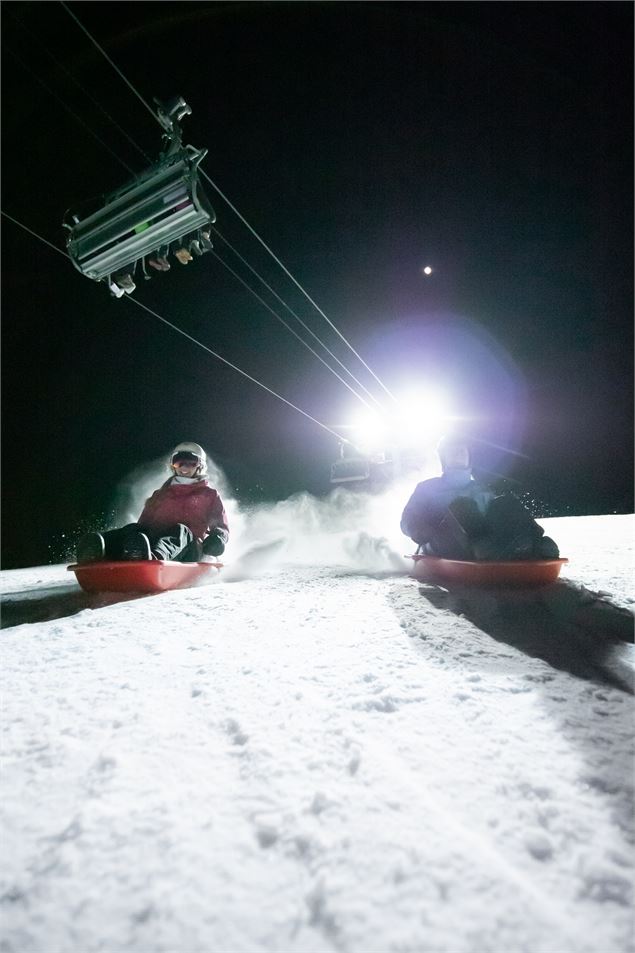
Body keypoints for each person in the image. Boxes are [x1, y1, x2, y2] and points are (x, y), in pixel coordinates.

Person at [400, 436, 559, 561]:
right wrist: (417, 529)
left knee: (505, 502)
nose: (459, 455)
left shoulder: (481, 489)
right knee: (462, 506)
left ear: (469, 457)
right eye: (453, 452)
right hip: (440, 542)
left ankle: (534, 543)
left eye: (462, 452)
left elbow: (497, 517)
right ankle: (483, 547)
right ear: (444, 459)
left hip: (485, 546)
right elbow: (408, 519)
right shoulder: (428, 488)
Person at [76, 442, 229, 564]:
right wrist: (135, 537)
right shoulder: (160, 494)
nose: (184, 467)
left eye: (191, 463)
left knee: (180, 530)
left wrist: (218, 538)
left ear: (200, 466)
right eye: (179, 462)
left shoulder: (210, 495)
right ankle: (99, 548)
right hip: (152, 544)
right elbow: (144, 524)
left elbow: (222, 526)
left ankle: (153, 557)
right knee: (134, 528)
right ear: (172, 465)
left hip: (190, 548)